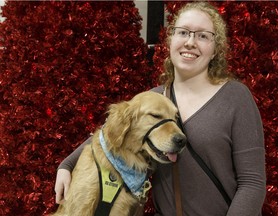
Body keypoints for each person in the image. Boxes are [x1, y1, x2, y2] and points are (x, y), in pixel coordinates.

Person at [54, 2, 266, 216]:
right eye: (183, 32)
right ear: (171, 41)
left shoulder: (235, 97)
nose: (190, 42)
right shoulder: (155, 99)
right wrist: (67, 164)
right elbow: (109, 133)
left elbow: (252, 183)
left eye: (203, 36)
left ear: (215, 50)